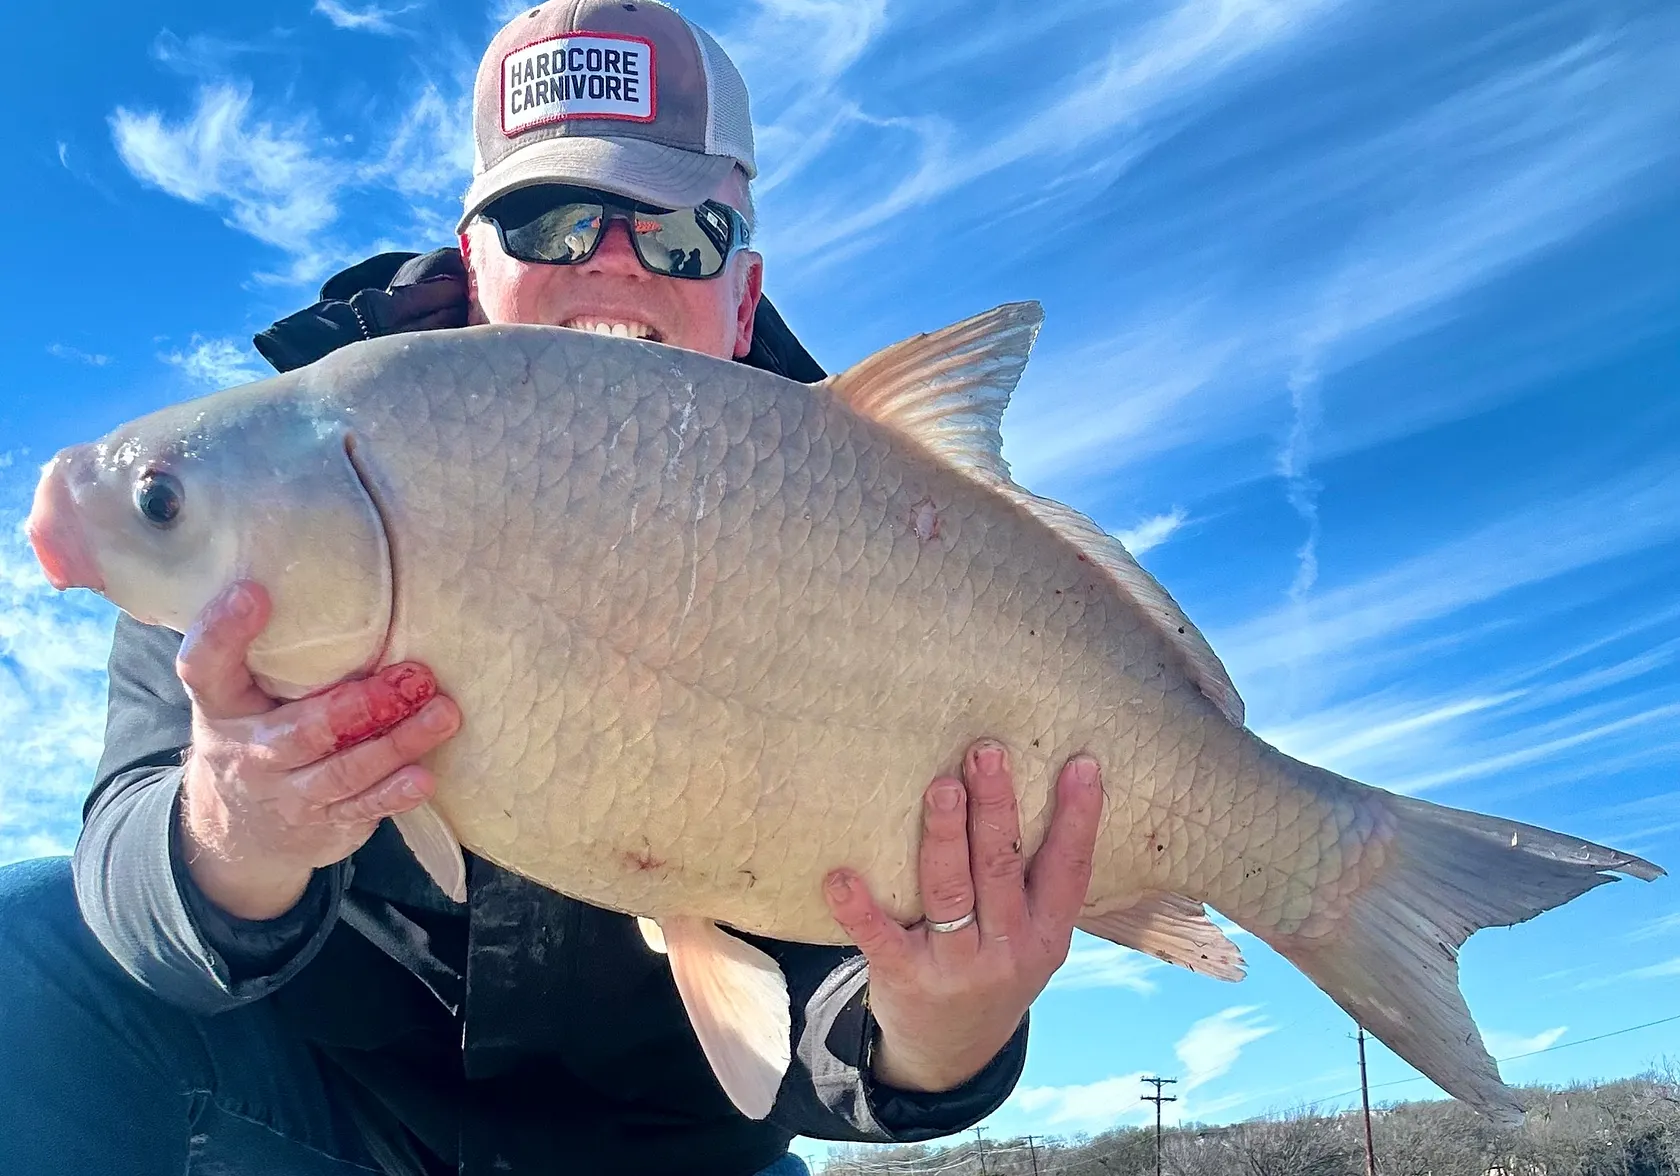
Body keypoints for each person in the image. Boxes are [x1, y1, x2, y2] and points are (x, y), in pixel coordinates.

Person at [0, 3, 1105, 1173]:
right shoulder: (271, 486)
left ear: (743, 294)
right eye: (552, 221)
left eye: (684, 234)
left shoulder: (881, 543)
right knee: (24, 951)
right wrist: (231, 827)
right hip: (328, 1121)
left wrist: (948, 1035)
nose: (614, 265)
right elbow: (122, 882)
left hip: (680, 1150)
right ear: (476, 258)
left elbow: (821, 1035)